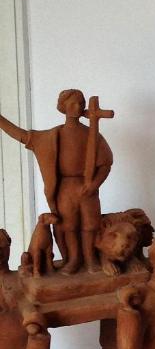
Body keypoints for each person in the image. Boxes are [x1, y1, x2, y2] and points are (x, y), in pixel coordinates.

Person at [0, 90, 112, 274]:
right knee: (68, 226)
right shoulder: (52, 136)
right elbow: (21, 135)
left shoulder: (92, 134)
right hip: (64, 188)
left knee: (90, 225)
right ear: (63, 106)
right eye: (74, 103)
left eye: (81, 103)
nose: (78, 106)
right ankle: (73, 259)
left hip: (87, 187)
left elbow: (106, 163)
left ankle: (91, 260)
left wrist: (93, 185)